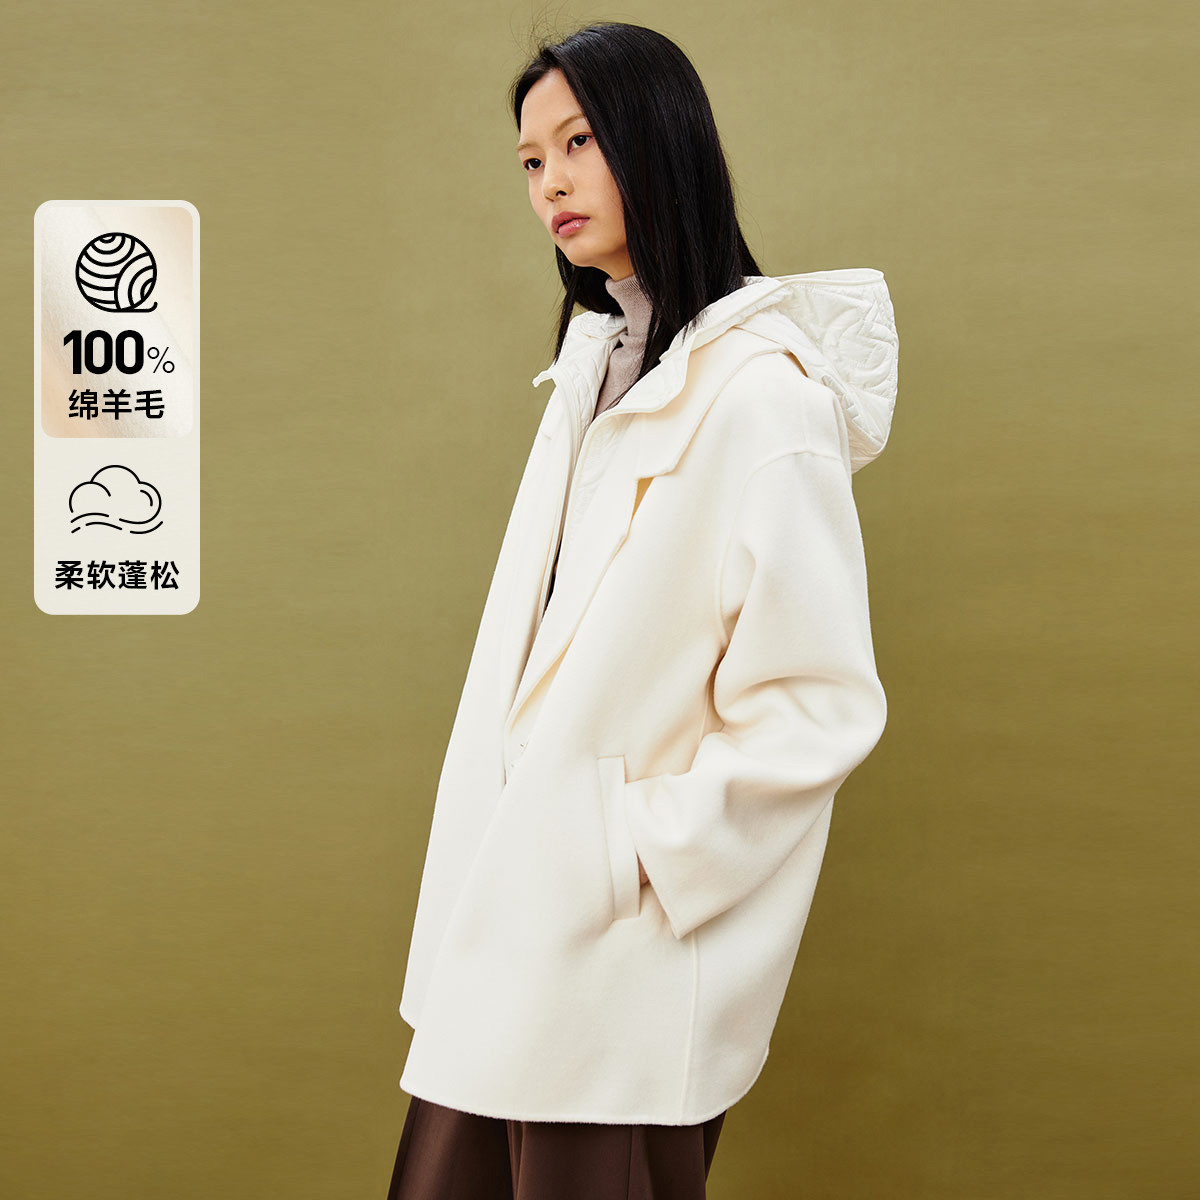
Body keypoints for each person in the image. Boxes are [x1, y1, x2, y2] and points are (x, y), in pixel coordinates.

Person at [386, 20, 899, 1200]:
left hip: (621, 965)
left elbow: (816, 705)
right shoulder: (598, 371)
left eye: (578, 142)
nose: (550, 182)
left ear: (659, 139)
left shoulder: (764, 404)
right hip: (507, 931)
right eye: (531, 160)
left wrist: (622, 852)